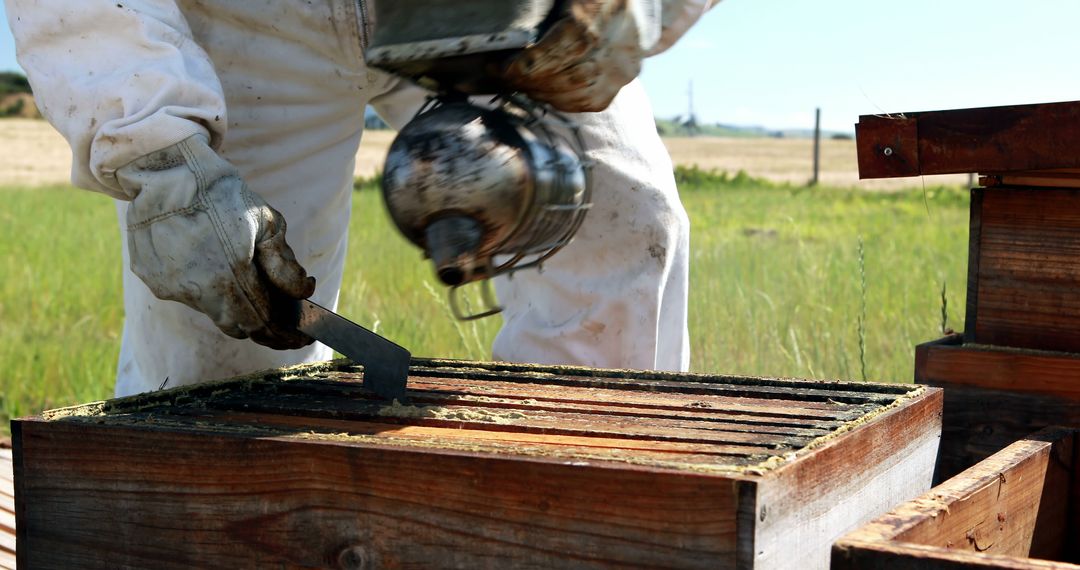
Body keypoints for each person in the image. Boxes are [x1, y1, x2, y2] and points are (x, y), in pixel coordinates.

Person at [5, 0, 714, 397]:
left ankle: (597, 512)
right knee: (218, 346)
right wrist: (155, 153)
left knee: (622, 231)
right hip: (248, 16)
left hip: (500, 6)